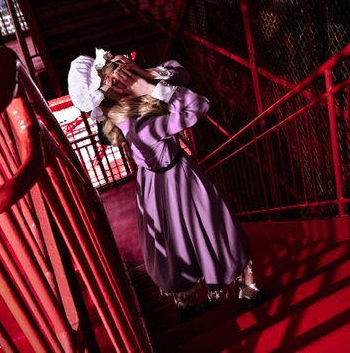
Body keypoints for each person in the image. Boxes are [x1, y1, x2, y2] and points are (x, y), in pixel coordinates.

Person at [67, 48, 262, 320]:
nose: (121, 64)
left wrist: (146, 75)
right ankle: (247, 291)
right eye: (113, 68)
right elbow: (199, 105)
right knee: (213, 232)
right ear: (113, 87)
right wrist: (150, 87)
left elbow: (180, 72)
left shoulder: (128, 107)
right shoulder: (140, 126)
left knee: (176, 240)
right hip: (175, 178)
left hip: (155, 182)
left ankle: (187, 306)